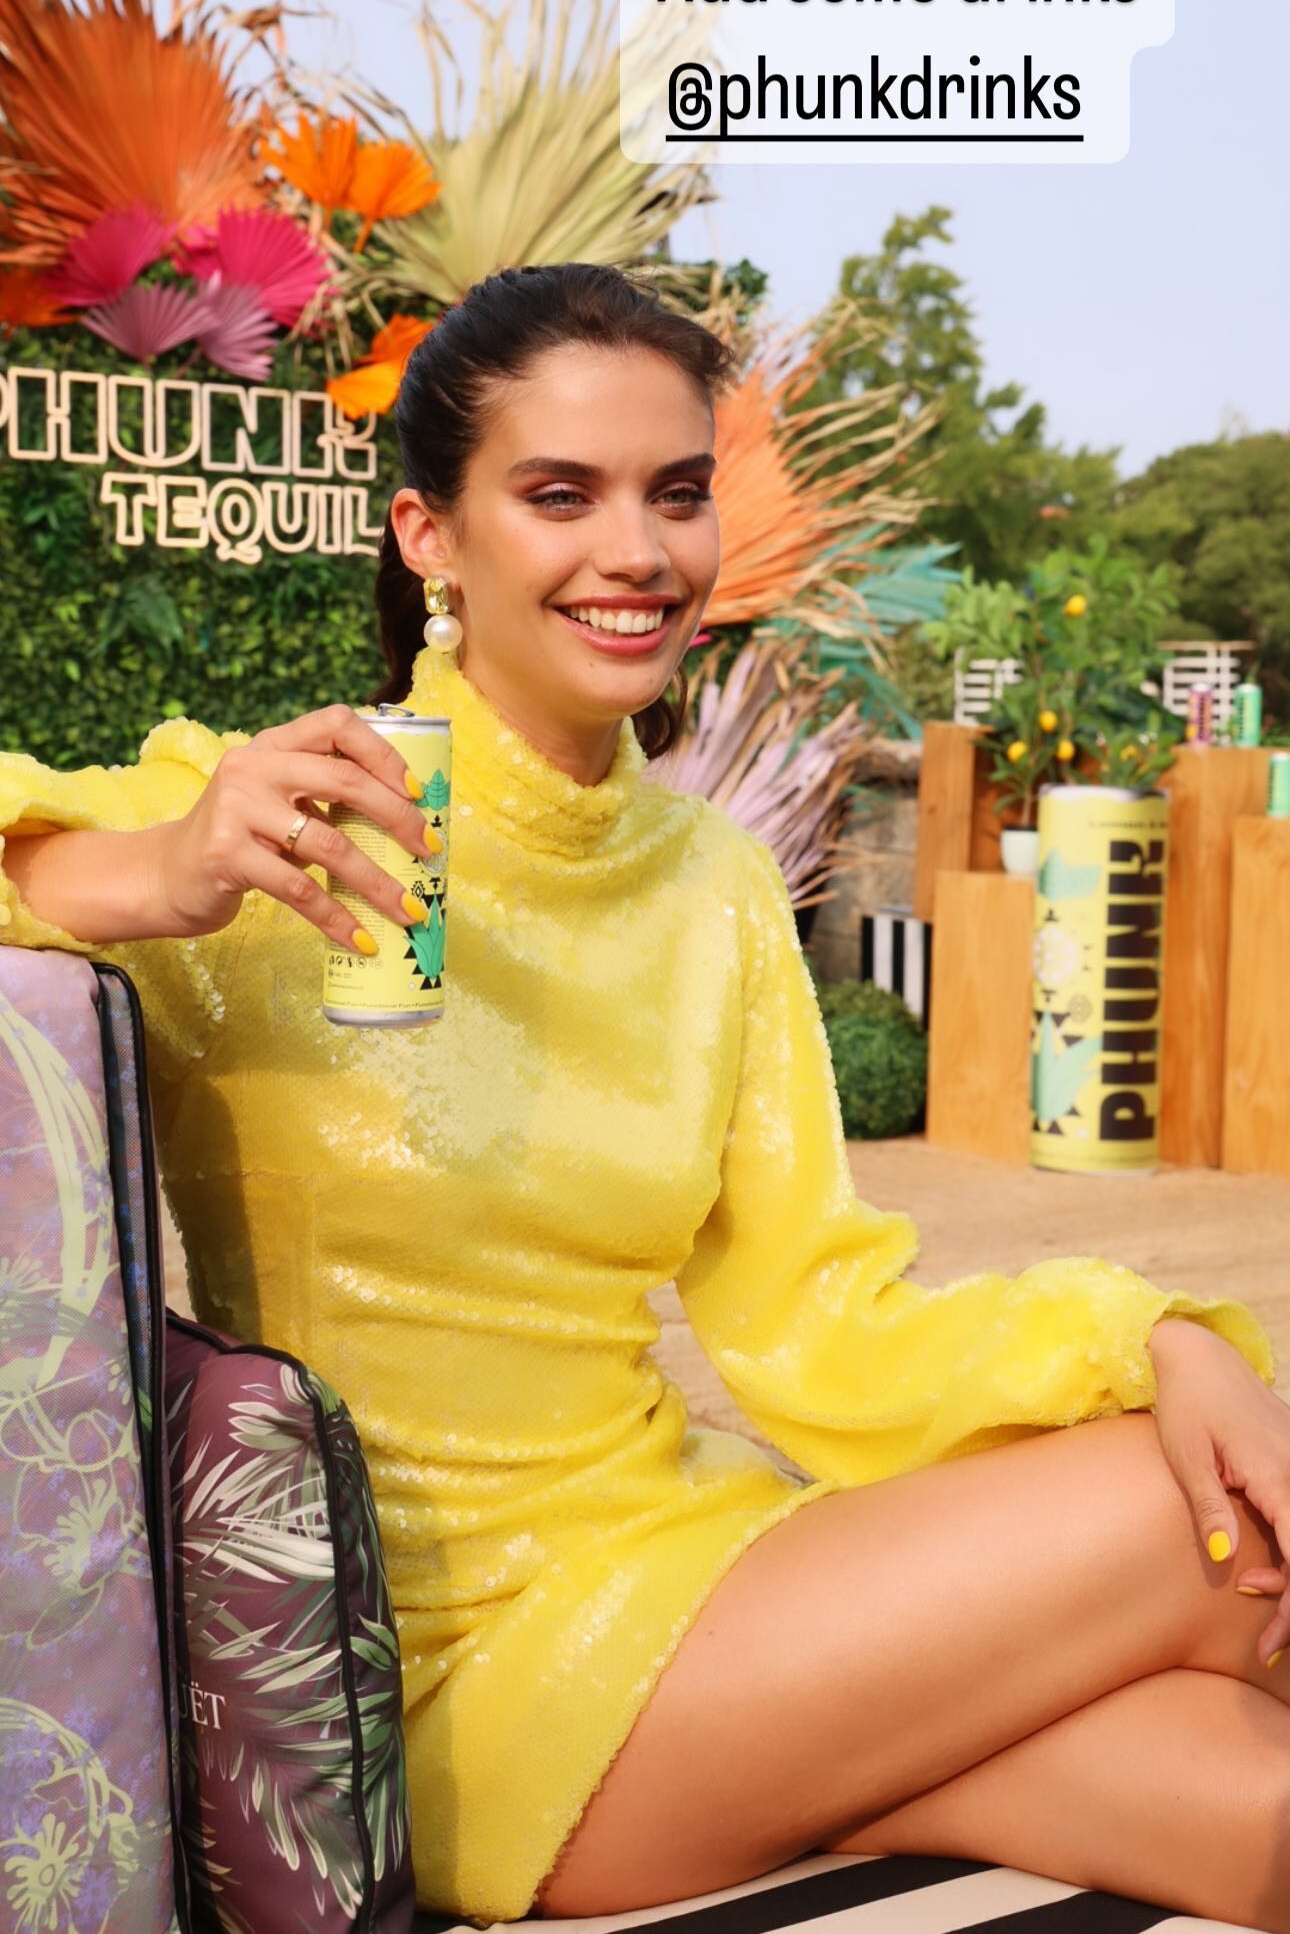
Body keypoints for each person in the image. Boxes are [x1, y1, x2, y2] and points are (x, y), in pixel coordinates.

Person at [2, 261, 1288, 1934]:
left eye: (675, 493)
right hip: (455, 1670)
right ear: (428, 536)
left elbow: (818, 1315)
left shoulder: (716, 886)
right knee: (1193, 1514)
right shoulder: (277, 819)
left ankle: (846, 1758)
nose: (637, 550)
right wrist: (152, 871)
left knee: (1256, 1794)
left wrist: (1152, 1338)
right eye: (559, 494)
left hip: (704, 1577)